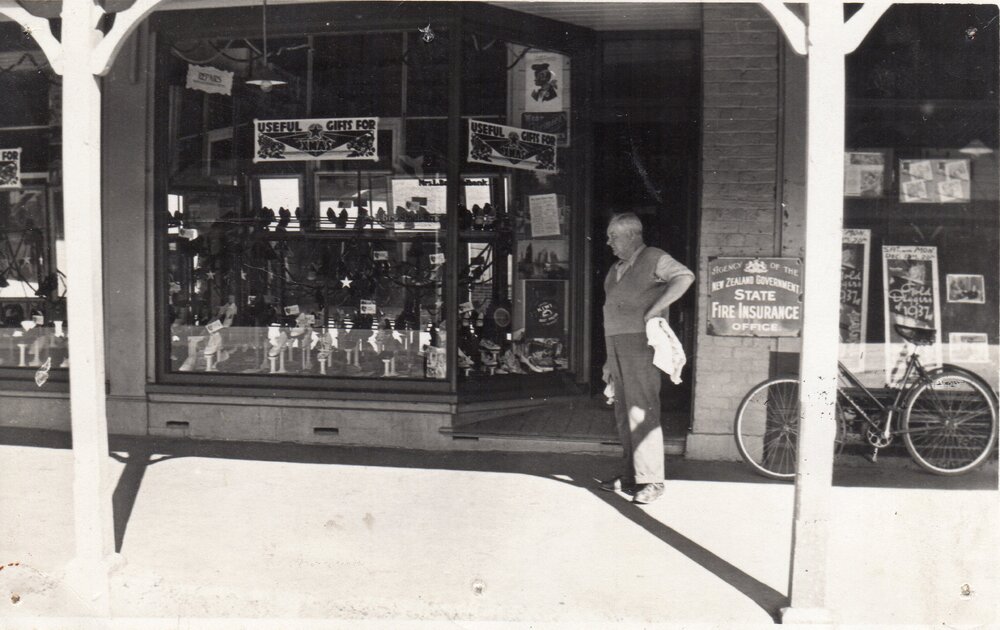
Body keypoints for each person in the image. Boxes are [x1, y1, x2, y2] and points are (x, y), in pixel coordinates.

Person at [600, 212, 694, 504]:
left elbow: (685, 276)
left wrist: (656, 309)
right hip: (615, 345)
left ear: (632, 235)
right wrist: (607, 359)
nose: (608, 242)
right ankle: (631, 475)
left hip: (641, 344)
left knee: (642, 410)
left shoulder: (654, 256)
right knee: (623, 411)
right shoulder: (616, 268)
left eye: (613, 236)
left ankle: (652, 480)